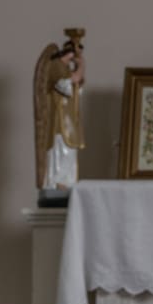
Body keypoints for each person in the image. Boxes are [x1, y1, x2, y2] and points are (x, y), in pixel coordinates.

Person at [34, 35, 85, 203]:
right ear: (70, 52)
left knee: (69, 151)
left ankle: (65, 182)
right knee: (61, 150)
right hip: (60, 121)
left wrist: (78, 70)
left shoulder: (64, 68)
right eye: (76, 52)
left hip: (68, 119)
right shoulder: (55, 66)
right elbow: (70, 83)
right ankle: (58, 183)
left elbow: (77, 85)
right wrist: (81, 63)